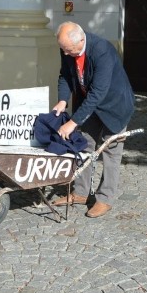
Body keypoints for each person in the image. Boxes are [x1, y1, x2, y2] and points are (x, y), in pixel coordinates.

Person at [50, 22, 135, 218]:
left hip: (115, 106)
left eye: (69, 50)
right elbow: (65, 75)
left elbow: (98, 93)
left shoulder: (102, 50)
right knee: (84, 145)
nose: (65, 53)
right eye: (63, 49)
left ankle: (105, 198)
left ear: (81, 40)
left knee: (110, 151)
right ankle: (80, 192)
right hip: (89, 104)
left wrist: (72, 122)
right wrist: (63, 100)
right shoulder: (67, 48)